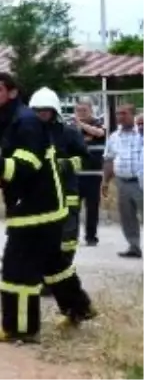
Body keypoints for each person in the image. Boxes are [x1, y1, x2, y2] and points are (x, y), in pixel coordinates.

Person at [0, 72, 67, 344]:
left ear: (13, 93)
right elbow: (10, 157)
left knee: (17, 270)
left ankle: (22, 329)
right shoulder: (11, 121)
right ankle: (79, 309)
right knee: (54, 266)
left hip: (36, 210)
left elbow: (27, 164)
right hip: (37, 206)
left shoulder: (25, 121)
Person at [28, 87, 96, 326]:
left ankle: (76, 307)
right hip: (42, 202)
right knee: (45, 253)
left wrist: (61, 165)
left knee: (63, 252)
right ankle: (73, 303)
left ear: (54, 111)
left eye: (45, 111)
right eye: (37, 111)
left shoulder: (67, 133)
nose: (41, 115)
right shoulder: (31, 135)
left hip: (66, 200)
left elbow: (85, 157)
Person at [101, 103, 144, 259]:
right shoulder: (114, 136)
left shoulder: (141, 133)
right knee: (127, 216)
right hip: (122, 182)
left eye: (124, 113)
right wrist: (105, 181)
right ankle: (134, 246)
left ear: (133, 115)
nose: (120, 116)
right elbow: (109, 159)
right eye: (118, 113)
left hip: (140, 182)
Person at [71, 99, 106, 246]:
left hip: (93, 174)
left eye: (84, 110)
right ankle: (72, 235)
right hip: (76, 174)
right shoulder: (72, 127)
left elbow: (99, 133)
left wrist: (82, 125)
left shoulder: (98, 123)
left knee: (92, 208)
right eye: (78, 110)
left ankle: (91, 237)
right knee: (73, 207)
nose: (81, 113)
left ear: (91, 110)